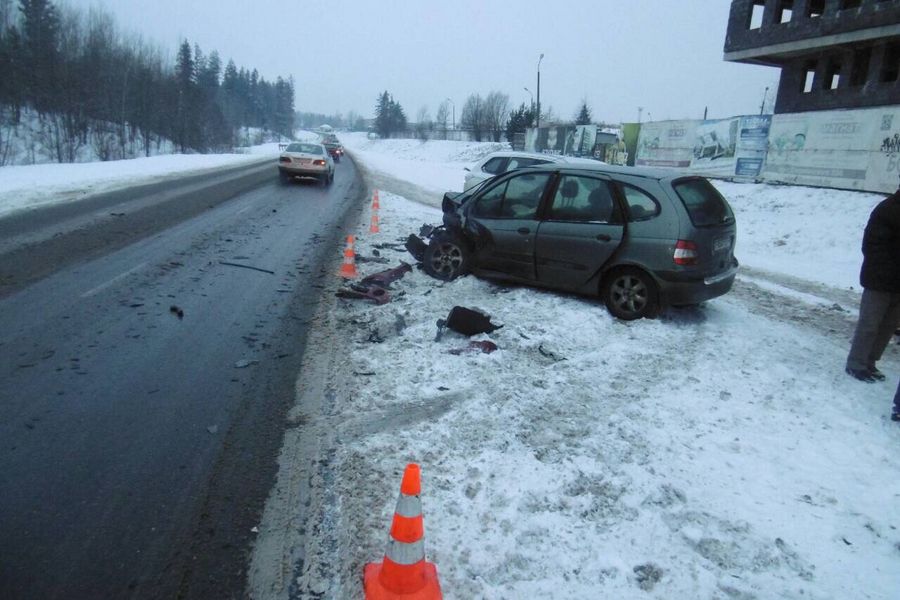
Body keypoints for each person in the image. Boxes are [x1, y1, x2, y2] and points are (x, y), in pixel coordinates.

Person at [845, 174, 900, 384]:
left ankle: (870, 362)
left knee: (888, 326)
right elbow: (872, 245)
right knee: (870, 324)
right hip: (879, 279)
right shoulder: (888, 209)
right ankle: (856, 364)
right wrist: (889, 268)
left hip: (897, 283)